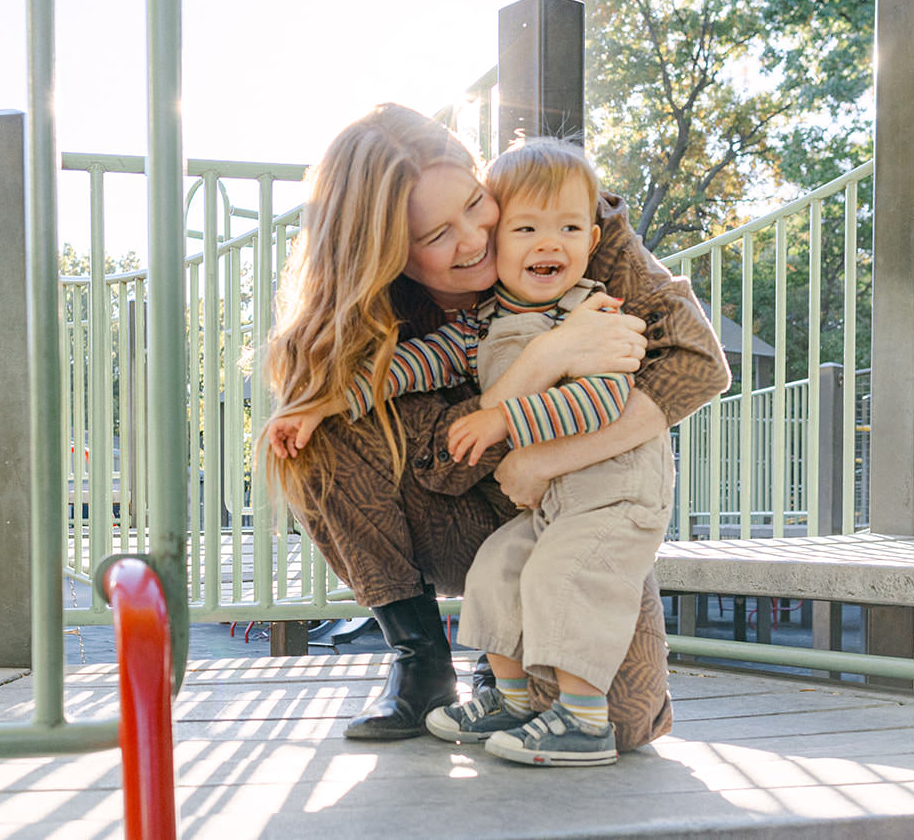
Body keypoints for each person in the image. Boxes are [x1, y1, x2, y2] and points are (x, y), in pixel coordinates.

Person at [262, 104, 729, 751]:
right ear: (392, 255)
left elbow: (699, 362)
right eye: (436, 236)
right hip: (456, 509)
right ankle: (422, 662)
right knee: (315, 425)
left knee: (620, 720)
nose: (477, 237)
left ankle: (505, 673)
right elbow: (445, 460)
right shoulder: (382, 317)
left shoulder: (564, 217)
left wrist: (546, 459)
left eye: (476, 202)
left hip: (576, 501)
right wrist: (545, 359)